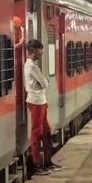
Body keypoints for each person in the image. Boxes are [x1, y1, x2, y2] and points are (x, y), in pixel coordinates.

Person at [24, 39, 62, 175]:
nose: (42, 52)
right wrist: (43, 82)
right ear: (33, 50)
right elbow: (45, 83)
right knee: (37, 132)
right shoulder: (31, 66)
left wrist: (43, 82)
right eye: (40, 50)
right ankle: (37, 164)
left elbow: (43, 82)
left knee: (46, 131)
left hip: (41, 101)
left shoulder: (34, 65)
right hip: (35, 102)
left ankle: (47, 161)